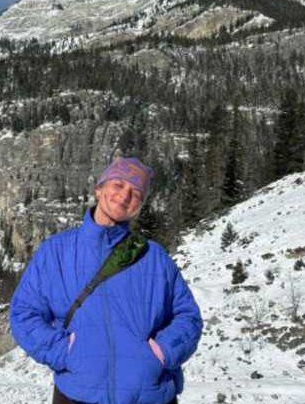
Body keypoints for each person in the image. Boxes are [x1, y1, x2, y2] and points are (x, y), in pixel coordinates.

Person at [10, 157, 203, 404]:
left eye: (135, 193)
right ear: (99, 189)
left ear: (139, 206)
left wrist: (162, 353)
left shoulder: (154, 257)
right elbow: (23, 313)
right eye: (119, 184)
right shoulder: (56, 251)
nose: (124, 196)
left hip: (150, 395)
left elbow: (188, 316)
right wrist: (63, 352)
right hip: (78, 395)